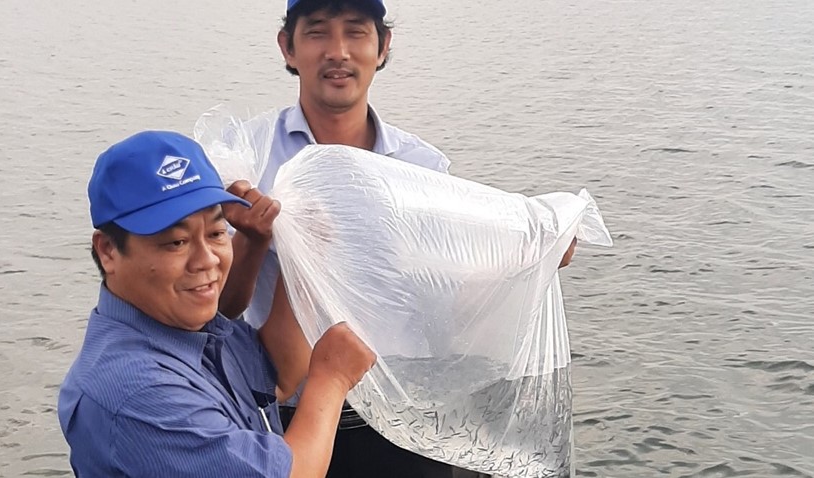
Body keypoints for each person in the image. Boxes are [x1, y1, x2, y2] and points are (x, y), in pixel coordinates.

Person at [220, 0, 578, 476]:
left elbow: (449, 303)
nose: (338, 52)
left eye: (356, 32)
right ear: (288, 47)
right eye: (317, 33)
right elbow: (214, 307)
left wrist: (529, 262)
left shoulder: (422, 170)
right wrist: (254, 241)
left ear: (383, 46)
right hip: (280, 417)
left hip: (400, 419)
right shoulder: (247, 161)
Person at [58, 130, 376, 477]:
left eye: (216, 233)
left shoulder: (182, 327)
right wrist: (331, 379)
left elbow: (278, 376)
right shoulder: (137, 390)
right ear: (108, 251)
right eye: (177, 242)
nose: (206, 260)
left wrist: (304, 248)